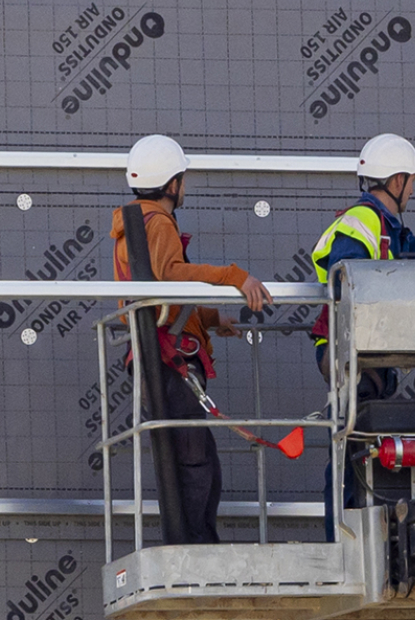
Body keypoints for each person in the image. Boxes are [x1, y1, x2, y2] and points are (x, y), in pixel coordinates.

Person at [111, 134, 273, 544]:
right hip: (168, 359)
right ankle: (195, 549)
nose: (185, 187)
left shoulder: (139, 222)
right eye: (182, 179)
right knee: (194, 462)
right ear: (171, 184)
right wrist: (235, 277)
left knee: (195, 461)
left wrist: (211, 317)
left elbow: (162, 289)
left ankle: (195, 543)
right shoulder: (158, 222)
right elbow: (172, 277)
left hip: (158, 358)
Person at [309, 133, 415, 540]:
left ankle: (358, 537)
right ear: (396, 181)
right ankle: (338, 541)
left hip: (364, 355)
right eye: (410, 180)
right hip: (347, 353)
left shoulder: (390, 228)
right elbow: (348, 280)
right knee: (347, 448)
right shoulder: (362, 223)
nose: (412, 189)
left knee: (362, 448)